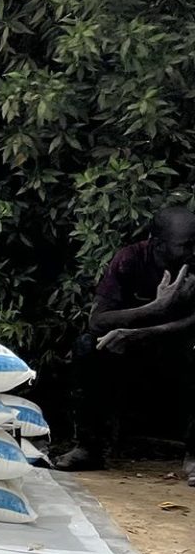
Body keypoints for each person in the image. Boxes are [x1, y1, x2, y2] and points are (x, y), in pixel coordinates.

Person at [55, 206, 195, 486]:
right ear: (157, 244)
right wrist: (154, 308)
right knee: (86, 346)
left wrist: (146, 330)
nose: (193, 250)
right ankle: (88, 447)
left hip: (180, 350)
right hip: (132, 356)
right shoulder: (130, 259)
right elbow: (97, 321)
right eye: (186, 245)